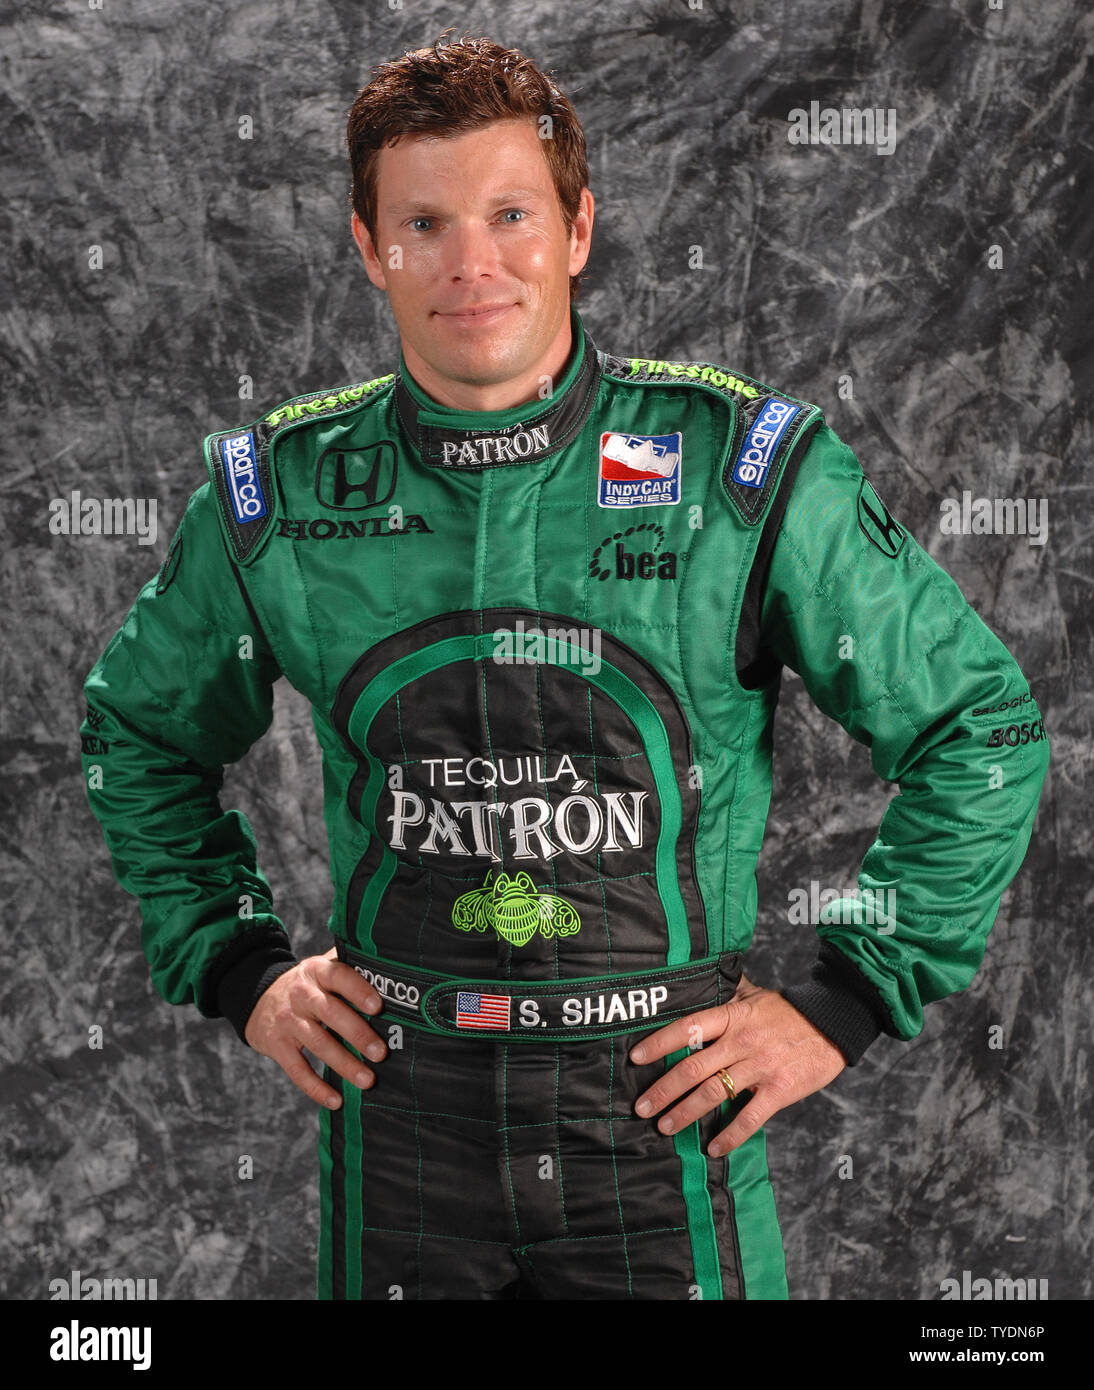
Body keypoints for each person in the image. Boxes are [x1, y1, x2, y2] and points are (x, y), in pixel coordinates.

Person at [81, 33, 1050, 1301]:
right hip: (403, 1129)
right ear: (368, 248)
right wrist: (237, 962)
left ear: (578, 230)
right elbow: (138, 734)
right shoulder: (284, 494)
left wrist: (845, 998)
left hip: (657, 1128)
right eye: (422, 221)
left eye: (509, 214)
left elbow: (978, 725)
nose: (470, 263)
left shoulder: (740, 472)